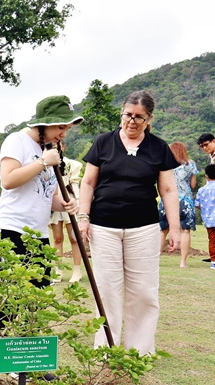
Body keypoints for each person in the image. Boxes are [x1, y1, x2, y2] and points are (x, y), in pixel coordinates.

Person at [0, 95, 80, 385]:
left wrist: (63, 205)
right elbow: (9, 181)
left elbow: (44, 194)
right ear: (44, 124)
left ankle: (27, 364)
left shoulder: (48, 149)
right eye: (60, 126)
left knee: (35, 300)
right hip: (11, 231)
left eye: (67, 127)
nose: (64, 132)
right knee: (11, 300)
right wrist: (42, 162)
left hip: (38, 234)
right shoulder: (18, 142)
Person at [78, 90, 180, 356]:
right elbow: (88, 183)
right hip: (104, 227)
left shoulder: (159, 147)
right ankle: (105, 349)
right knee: (107, 290)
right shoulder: (103, 142)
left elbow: (168, 190)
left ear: (149, 119)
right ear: (121, 114)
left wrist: (175, 228)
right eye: (128, 115)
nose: (132, 121)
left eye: (139, 117)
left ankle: (140, 350)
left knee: (144, 291)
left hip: (144, 227)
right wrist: (83, 217)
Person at [48, 140, 84, 283]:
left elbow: (74, 186)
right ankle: (58, 270)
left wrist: (78, 204)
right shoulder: (46, 164)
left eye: (58, 145)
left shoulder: (71, 165)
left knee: (74, 237)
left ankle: (77, 270)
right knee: (57, 238)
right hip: (54, 203)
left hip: (69, 201)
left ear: (63, 146)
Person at [158, 142, 198, 268]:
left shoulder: (164, 163)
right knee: (185, 231)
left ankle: (157, 259)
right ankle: (183, 262)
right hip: (185, 200)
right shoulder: (190, 164)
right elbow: (192, 186)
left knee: (162, 230)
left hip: (167, 200)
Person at [194, 164, 215, 269]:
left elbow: (197, 205)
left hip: (209, 220)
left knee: (212, 240)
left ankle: (213, 261)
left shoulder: (202, 190)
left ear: (206, 176)